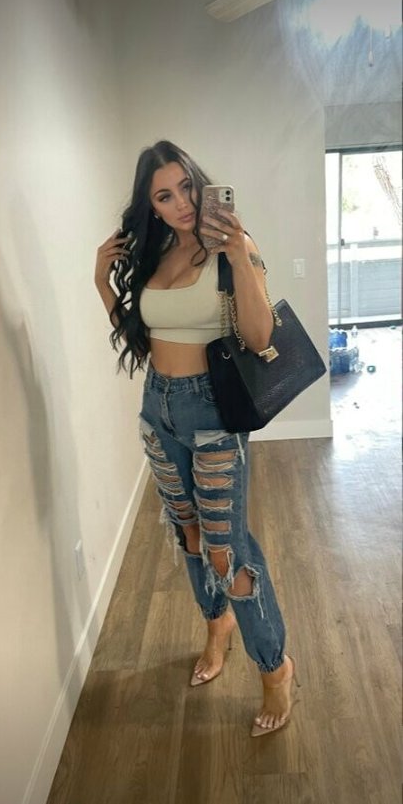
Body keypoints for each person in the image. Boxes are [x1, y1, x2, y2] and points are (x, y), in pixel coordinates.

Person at [94, 139, 301, 736]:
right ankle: (217, 625)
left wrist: (237, 254)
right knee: (187, 533)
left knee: (225, 550)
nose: (181, 203)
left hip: (211, 413)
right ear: (151, 207)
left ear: (200, 182)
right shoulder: (156, 253)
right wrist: (103, 282)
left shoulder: (234, 246)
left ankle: (274, 667)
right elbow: (141, 340)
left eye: (186, 186)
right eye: (164, 196)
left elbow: (260, 337)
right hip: (157, 409)